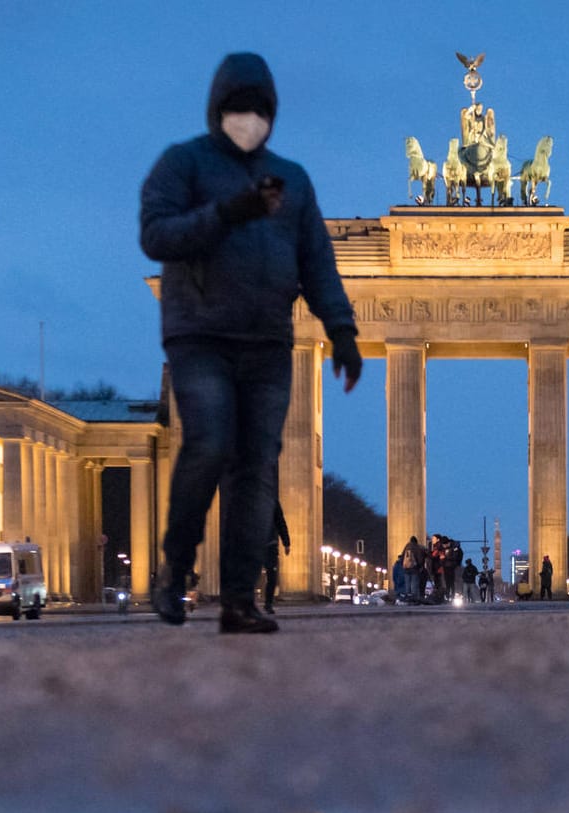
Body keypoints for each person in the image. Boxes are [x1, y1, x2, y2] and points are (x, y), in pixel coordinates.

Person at [142, 53, 360, 635]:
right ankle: (176, 567)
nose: (250, 119)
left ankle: (239, 598)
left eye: (260, 110)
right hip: (201, 333)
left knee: (258, 467)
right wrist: (227, 213)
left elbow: (318, 263)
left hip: (267, 340)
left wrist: (341, 330)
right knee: (209, 444)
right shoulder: (182, 164)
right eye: (239, 109)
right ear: (218, 110)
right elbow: (155, 235)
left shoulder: (292, 180)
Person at [261, 502, 290, 614]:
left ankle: (268, 603)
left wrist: (286, 542)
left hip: (266, 544)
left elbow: (280, 521)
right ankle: (267, 603)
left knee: (271, 575)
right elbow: (280, 522)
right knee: (271, 575)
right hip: (262, 543)